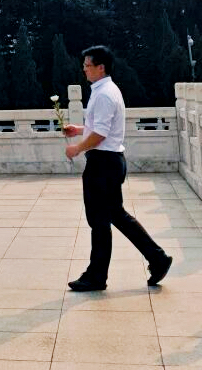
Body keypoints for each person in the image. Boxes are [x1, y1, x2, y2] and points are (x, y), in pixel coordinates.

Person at [64, 46, 172, 292]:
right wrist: (79, 130)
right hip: (110, 161)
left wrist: (77, 147)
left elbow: (101, 134)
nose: (84, 69)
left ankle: (96, 276)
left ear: (101, 67)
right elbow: (101, 128)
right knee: (115, 216)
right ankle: (157, 258)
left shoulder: (104, 94)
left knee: (100, 221)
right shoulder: (106, 90)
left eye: (87, 65)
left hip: (103, 163)